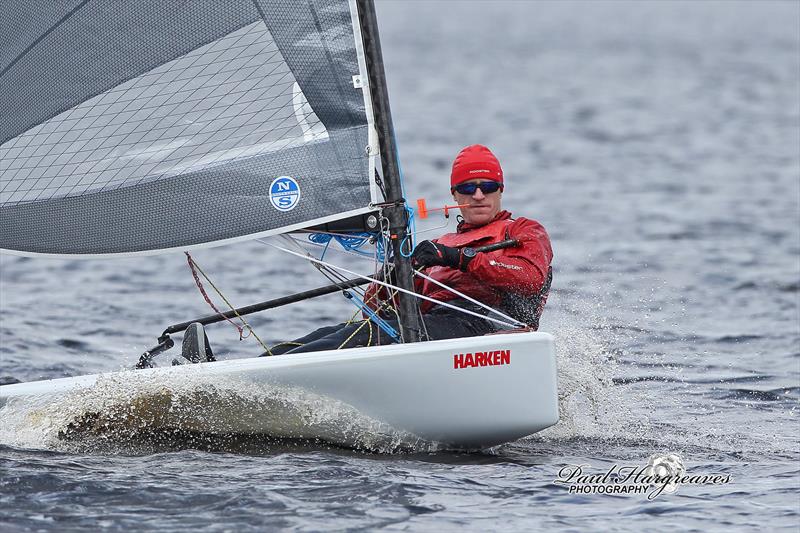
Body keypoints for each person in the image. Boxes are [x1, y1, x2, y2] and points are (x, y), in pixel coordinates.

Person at [265, 144, 553, 355]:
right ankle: (254, 372)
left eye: (487, 186)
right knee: (332, 333)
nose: (478, 195)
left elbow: (528, 278)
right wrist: (392, 275)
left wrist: (460, 259)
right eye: (467, 188)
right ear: (454, 194)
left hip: (487, 329)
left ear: (501, 190)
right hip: (433, 329)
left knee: (368, 335)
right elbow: (377, 311)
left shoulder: (522, 230)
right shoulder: (438, 246)